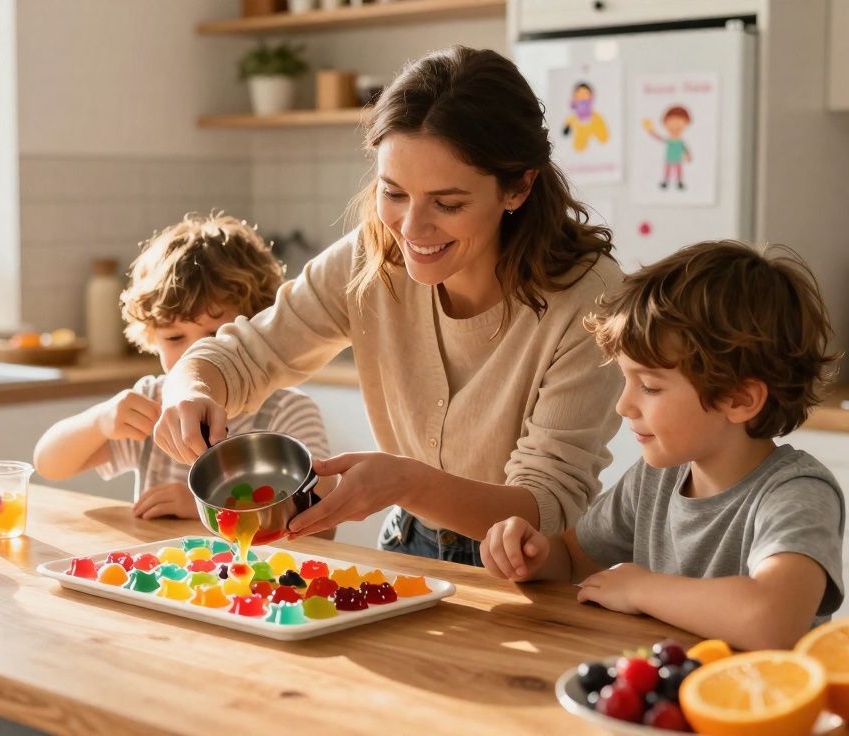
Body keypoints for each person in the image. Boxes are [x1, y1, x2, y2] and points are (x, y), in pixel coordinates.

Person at [153, 46, 625, 565]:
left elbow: (548, 505)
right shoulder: (371, 256)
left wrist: (405, 481)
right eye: (393, 192)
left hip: (528, 567)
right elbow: (247, 354)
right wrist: (188, 388)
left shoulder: (589, 298)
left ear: (519, 186)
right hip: (409, 545)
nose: (411, 229)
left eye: (448, 204)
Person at [480, 241, 844, 651]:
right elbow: (571, 560)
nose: (623, 405)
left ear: (739, 399)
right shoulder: (656, 478)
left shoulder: (798, 494)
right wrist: (533, 554)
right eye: (626, 380)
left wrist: (641, 589)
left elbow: (773, 621)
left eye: (650, 386)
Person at [33, 212, 333, 522]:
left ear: (257, 330)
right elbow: (49, 464)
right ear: (152, 338)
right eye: (175, 337)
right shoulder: (153, 403)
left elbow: (323, 524)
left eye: (217, 337)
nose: (195, 354)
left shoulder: (287, 410)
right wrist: (99, 421)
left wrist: (204, 510)